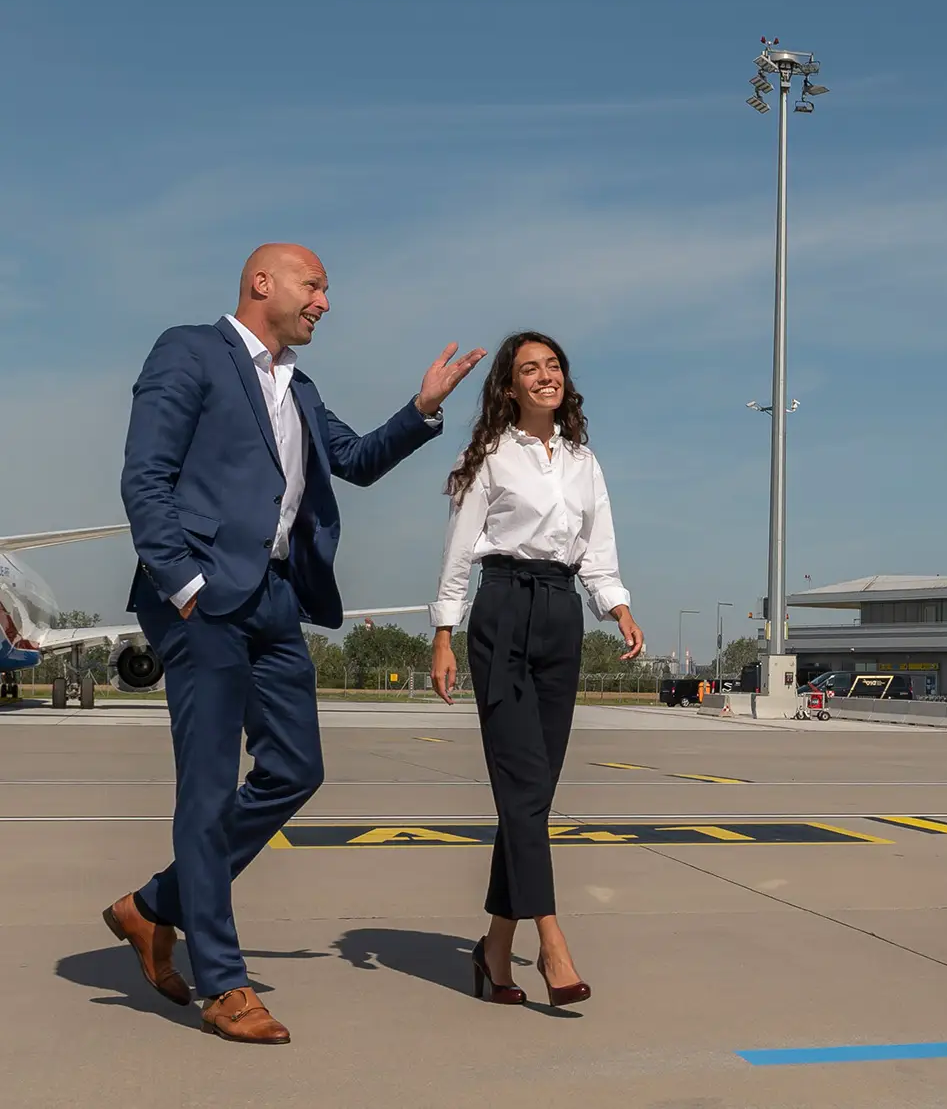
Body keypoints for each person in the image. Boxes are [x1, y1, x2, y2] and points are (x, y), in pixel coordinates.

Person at [106, 244, 482, 1044]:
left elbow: (355, 461)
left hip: (275, 599)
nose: (324, 303)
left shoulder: (298, 387)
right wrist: (184, 586)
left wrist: (421, 409)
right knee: (208, 792)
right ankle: (223, 984)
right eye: (314, 286)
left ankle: (154, 906)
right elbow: (145, 476)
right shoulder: (190, 351)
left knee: (296, 770)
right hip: (203, 600)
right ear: (262, 283)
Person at [428, 331, 641, 1008]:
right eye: (530, 369)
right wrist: (443, 633)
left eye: (553, 366)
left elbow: (597, 549)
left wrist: (618, 606)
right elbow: (459, 550)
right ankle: (551, 942)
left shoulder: (583, 460)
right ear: (509, 386)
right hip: (502, 610)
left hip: (560, 614)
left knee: (533, 794)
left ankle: (495, 947)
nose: (545, 376)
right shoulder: (489, 455)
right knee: (522, 789)